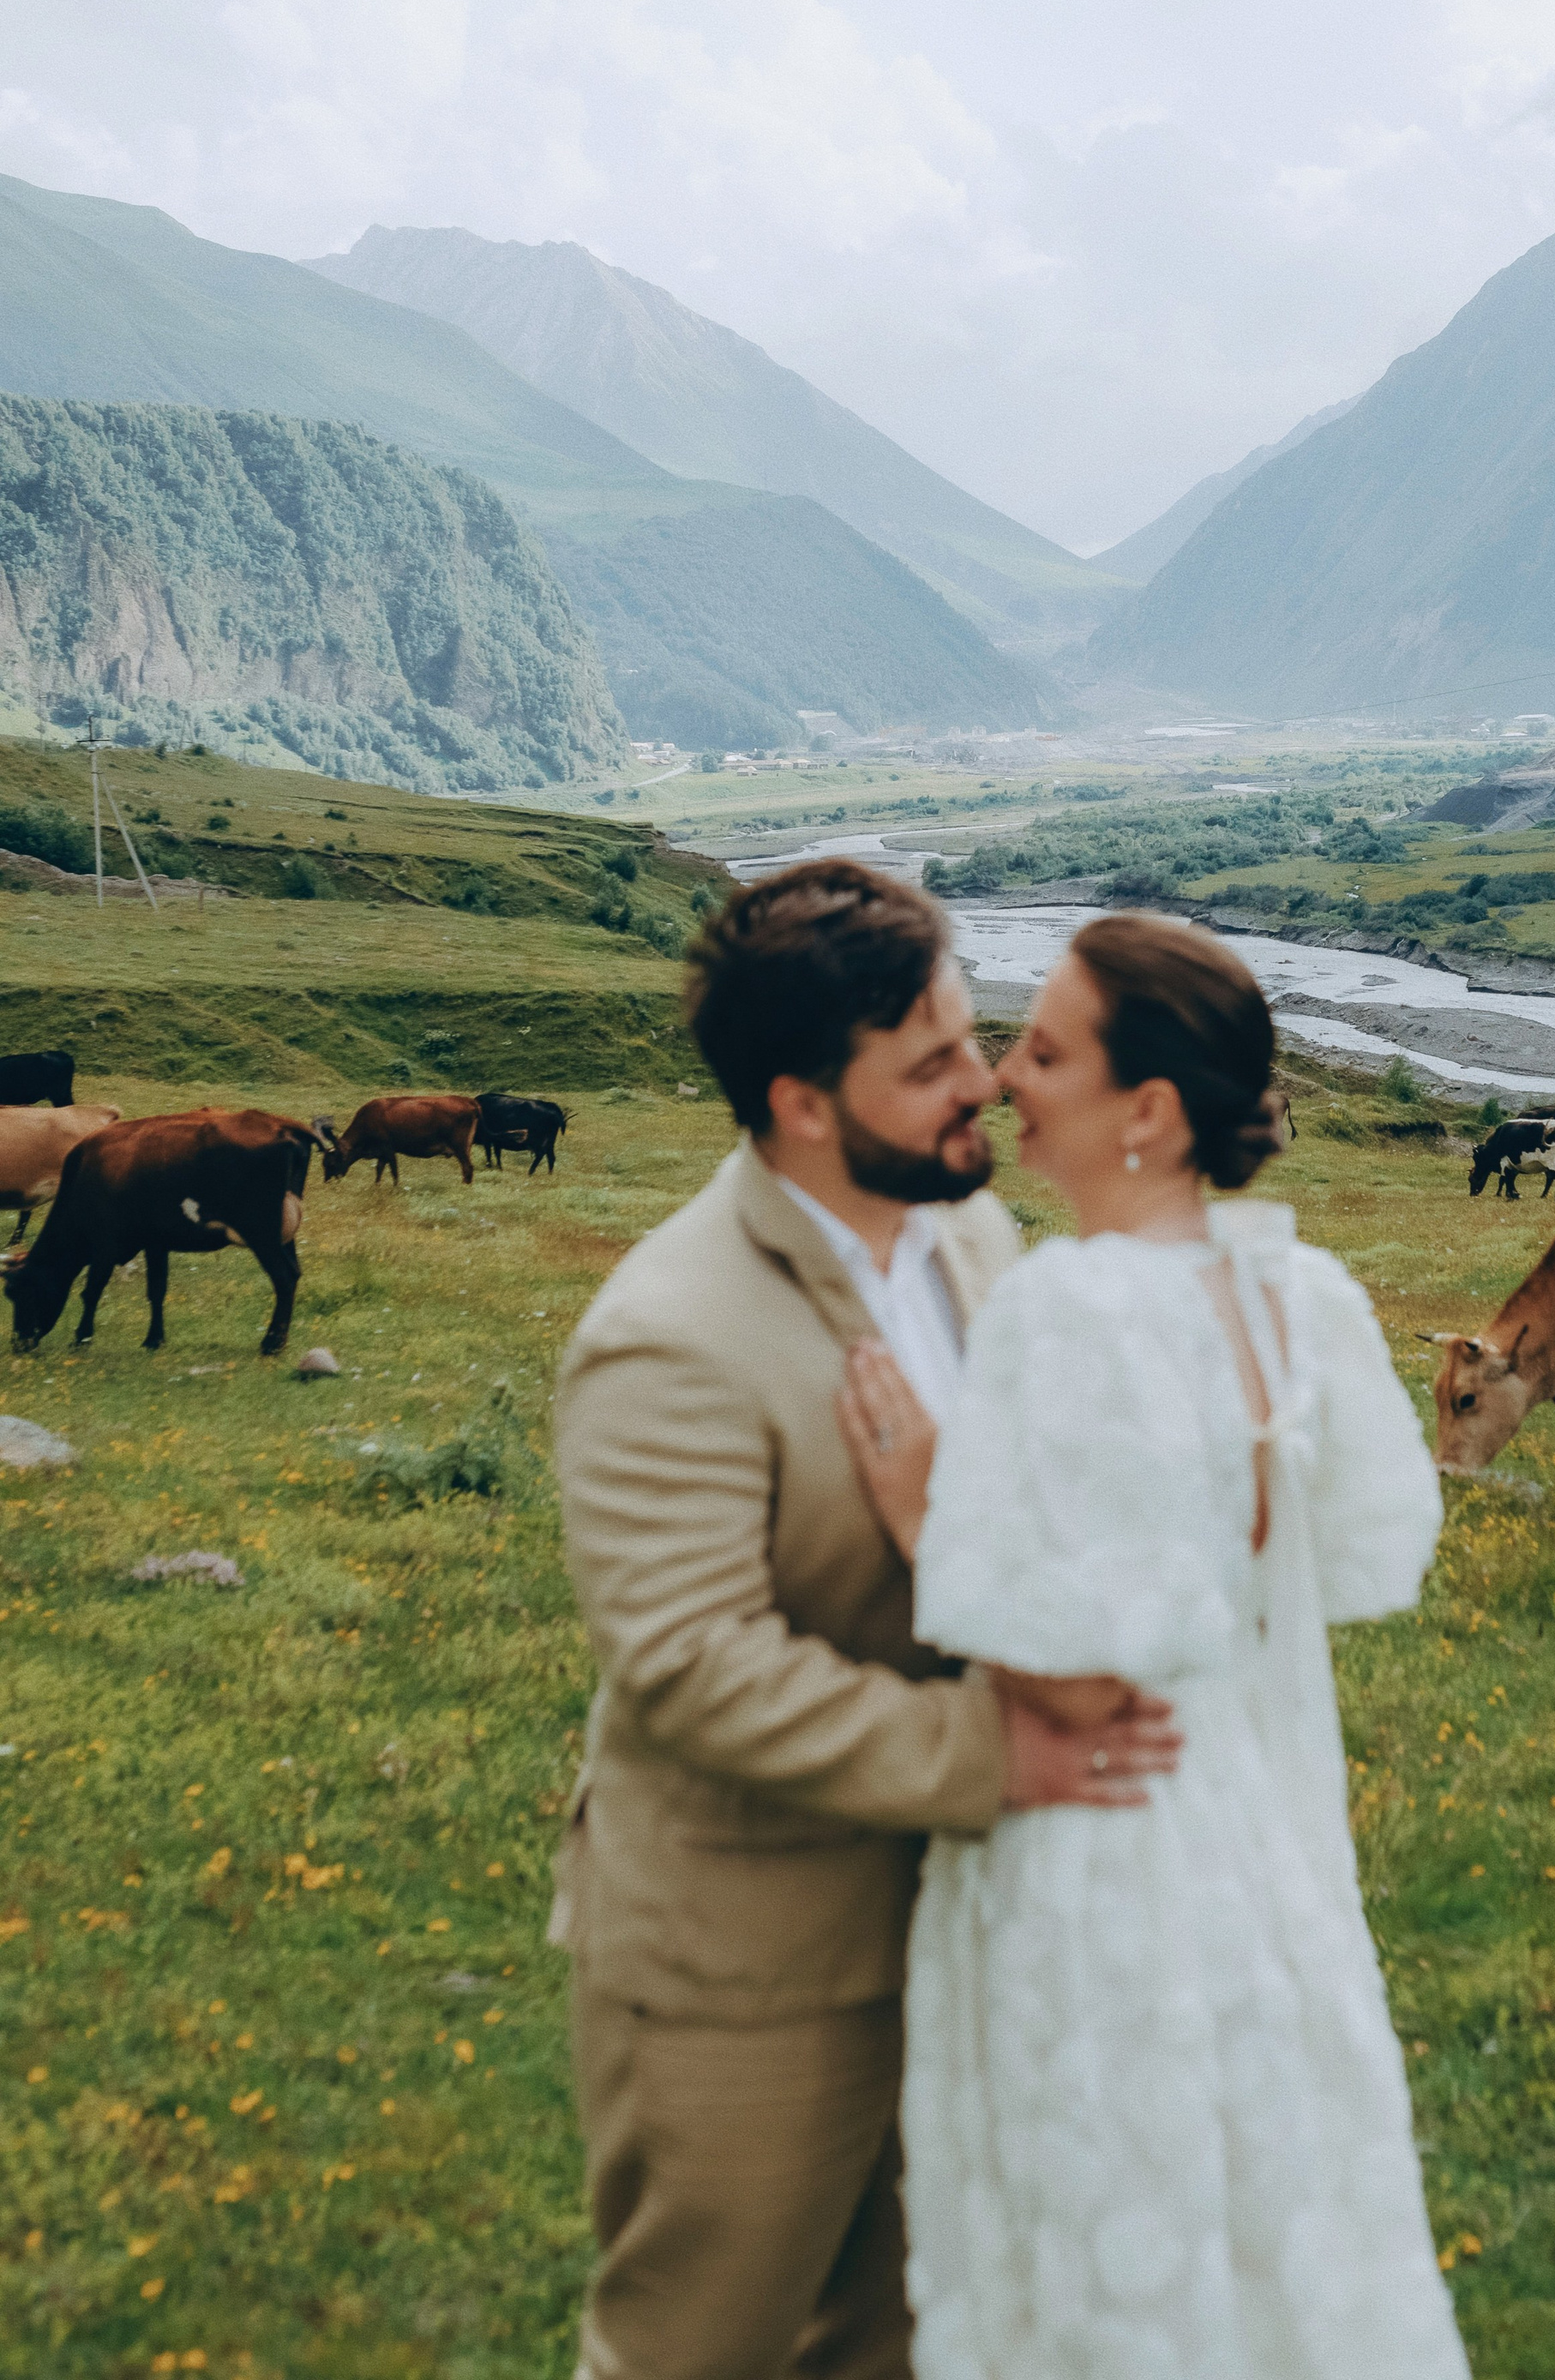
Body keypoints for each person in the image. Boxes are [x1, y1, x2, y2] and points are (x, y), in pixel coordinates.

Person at [551, 861, 1180, 2380]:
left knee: (907, 2340)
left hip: (967, 1930)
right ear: (803, 1105)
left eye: (971, 1037)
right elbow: (695, 1669)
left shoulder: (971, 1239)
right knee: (697, 2351)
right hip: (749, 1970)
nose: (987, 1082)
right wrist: (996, 1755)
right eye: (931, 1063)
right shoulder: (665, 1341)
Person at [841, 911, 1470, 2380]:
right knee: (1266, 2231)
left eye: (1049, 1053)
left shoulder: (1073, 1305)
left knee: (1101, 2254)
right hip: (1251, 1827)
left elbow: (1081, 1675)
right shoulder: (1292, 1293)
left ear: (1152, 1113)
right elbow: (1325, 1563)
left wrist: (927, 1512)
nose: (1005, 1075)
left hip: (1106, 1845)